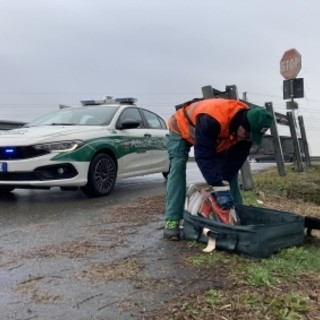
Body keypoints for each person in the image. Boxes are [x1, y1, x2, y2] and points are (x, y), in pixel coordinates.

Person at [163, 97, 274, 240]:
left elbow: (234, 162)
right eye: (247, 134)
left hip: (218, 136)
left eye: (251, 136)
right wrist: (216, 184)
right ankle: (172, 221)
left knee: (229, 177)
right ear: (242, 123)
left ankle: (235, 217)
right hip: (182, 126)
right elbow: (203, 155)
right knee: (177, 166)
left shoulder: (246, 133)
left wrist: (223, 186)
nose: (247, 138)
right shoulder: (212, 117)